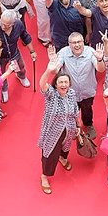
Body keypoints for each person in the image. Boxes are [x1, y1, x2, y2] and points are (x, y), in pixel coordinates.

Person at [37, 59, 81, 195]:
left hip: (69, 129)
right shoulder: (52, 95)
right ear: (55, 84)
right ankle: (44, 176)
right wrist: (48, 71)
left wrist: (78, 125)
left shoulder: (71, 94)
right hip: (53, 131)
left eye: (66, 82)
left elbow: (75, 110)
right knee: (50, 153)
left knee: (66, 147)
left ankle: (63, 158)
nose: (63, 85)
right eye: (60, 82)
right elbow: (42, 84)